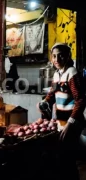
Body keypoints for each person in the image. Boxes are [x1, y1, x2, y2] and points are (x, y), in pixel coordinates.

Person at [37, 43, 86, 180]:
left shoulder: (71, 73)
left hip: (72, 123)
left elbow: (81, 100)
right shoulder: (57, 74)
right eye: (54, 56)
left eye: (60, 55)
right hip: (62, 123)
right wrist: (44, 102)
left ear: (67, 56)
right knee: (62, 159)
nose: (57, 59)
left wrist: (70, 124)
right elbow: (52, 94)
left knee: (68, 159)